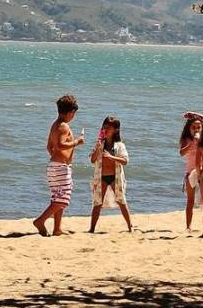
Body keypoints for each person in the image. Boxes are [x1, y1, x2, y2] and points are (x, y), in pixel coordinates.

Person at [34, 94, 84, 236]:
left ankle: (57, 228)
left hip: (54, 166)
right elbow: (61, 145)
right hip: (60, 167)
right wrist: (77, 142)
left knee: (58, 197)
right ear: (71, 112)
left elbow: (49, 147)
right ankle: (40, 220)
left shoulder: (54, 125)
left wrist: (56, 158)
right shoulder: (64, 126)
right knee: (63, 199)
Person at [87, 116, 132, 233]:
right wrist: (97, 148)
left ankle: (130, 227)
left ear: (116, 130)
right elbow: (92, 160)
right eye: (104, 126)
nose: (105, 129)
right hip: (101, 177)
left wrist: (111, 157)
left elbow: (126, 161)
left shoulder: (119, 145)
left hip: (115, 177)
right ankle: (92, 229)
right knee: (97, 203)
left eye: (108, 127)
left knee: (121, 201)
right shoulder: (99, 144)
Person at [179, 114, 203, 230]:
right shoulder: (186, 139)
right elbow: (182, 153)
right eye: (194, 127)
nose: (196, 129)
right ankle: (188, 226)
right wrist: (193, 142)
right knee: (190, 200)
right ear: (189, 128)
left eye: (199, 127)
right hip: (190, 173)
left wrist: (196, 114)